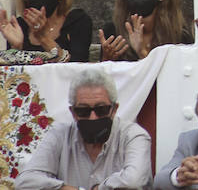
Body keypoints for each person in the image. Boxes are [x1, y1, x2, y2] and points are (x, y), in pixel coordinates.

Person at [16, 70, 151, 190]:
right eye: (83, 110)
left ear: (114, 109)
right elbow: (25, 181)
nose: (93, 117)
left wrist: (100, 188)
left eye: (101, 109)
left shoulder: (133, 136)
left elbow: (134, 181)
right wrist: (64, 188)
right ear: (73, 112)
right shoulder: (60, 135)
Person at [0, 0, 91, 62]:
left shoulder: (77, 20)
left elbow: (78, 67)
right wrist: (15, 47)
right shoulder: (20, 26)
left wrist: (43, 38)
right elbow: (16, 75)